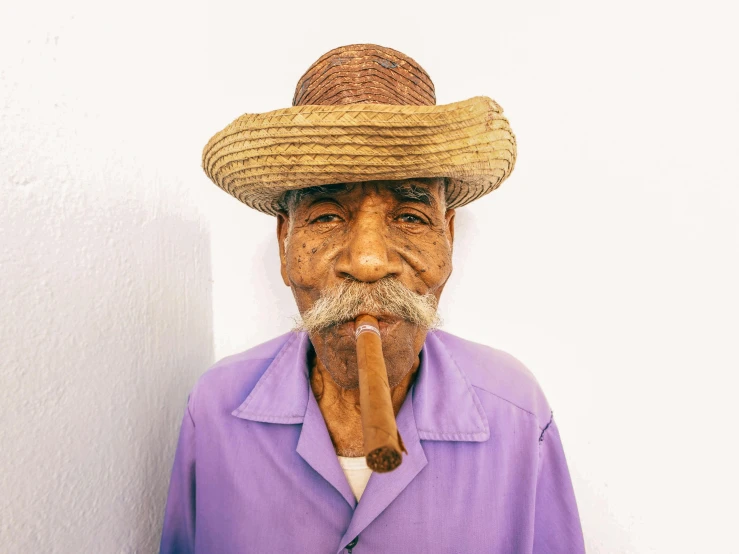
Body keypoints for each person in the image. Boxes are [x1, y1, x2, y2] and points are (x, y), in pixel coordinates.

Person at [159, 44, 585, 553]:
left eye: (409, 216)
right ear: (284, 242)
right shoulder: (215, 411)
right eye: (326, 216)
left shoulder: (516, 414)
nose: (367, 262)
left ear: (447, 237)